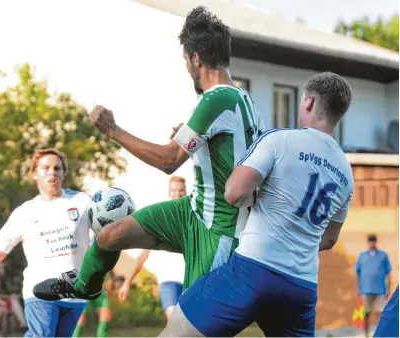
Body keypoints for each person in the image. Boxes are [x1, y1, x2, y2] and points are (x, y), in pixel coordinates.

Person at [34, 5, 265, 302]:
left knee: (189, 328)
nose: (186, 68)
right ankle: (83, 287)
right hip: (191, 210)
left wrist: (112, 129)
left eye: (186, 60)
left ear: (196, 59)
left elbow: (169, 161)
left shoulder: (216, 99)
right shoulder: (243, 99)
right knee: (110, 236)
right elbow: (229, 148)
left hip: (217, 230)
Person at [158, 72, 355, 337]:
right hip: (302, 288)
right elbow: (329, 239)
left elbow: (233, 193)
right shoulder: (346, 172)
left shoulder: (280, 140)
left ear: (308, 102)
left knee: (177, 329)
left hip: (254, 270)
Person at [0, 148, 93, 337]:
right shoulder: (25, 212)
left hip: (75, 293)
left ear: (63, 173)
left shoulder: (82, 201)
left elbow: (105, 234)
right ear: (34, 174)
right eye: (45, 168)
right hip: (40, 291)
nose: (52, 172)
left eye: (57, 168)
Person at [118, 176, 187, 319]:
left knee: (192, 328)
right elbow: (144, 254)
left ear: (185, 192)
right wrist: (128, 282)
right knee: (174, 319)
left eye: (181, 190)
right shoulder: (161, 219)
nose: (178, 194)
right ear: (169, 192)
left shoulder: (192, 218)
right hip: (169, 281)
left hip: (191, 280)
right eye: (174, 190)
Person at [355, 233, 392, 337]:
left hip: (380, 290)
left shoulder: (383, 255)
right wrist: (358, 289)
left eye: (373, 240)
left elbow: (388, 273)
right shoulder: (362, 256)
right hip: (365, 290)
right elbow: (357, 273)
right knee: (366, 314)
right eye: (370, 240)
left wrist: (388, 289)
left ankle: (379, 334)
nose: (372, 242)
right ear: (368, 242)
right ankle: (366, 335)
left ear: (376, 241)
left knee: (380, 314)